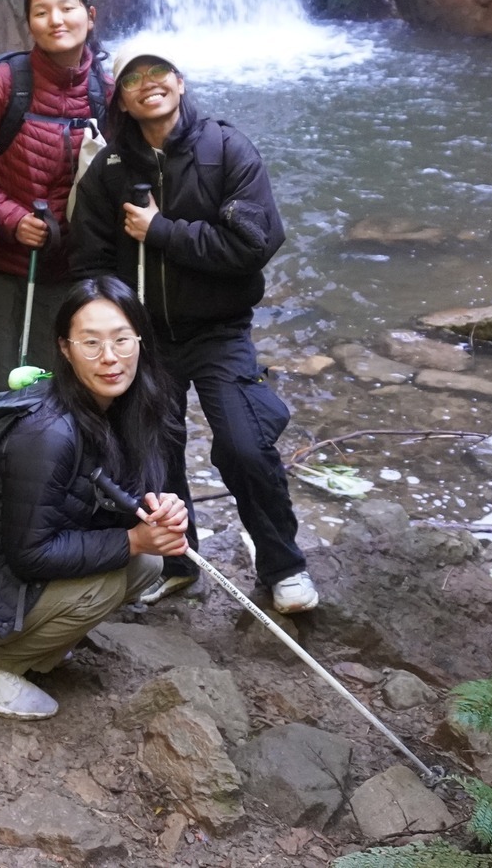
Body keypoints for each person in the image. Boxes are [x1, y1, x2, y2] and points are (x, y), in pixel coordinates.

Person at [69, 42, 316, 614]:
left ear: (179, 84)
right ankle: (179, 565)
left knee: (245, 445)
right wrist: (110, 329)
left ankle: (284, 565)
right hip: (145, 338)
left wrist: (163, 233)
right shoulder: (108, 170)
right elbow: (91, 260)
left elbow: (255, 243)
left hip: (220, 329)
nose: (148, 84)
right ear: (122, 101)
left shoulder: (227, 150)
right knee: (153, 451)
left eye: (159, 74)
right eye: (133, 80)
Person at [0, 277, 191, 720]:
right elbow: (30, 555)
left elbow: (112, 504)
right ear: (64, 348)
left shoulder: (125, 409)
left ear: (140, 340)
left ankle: (30, 648)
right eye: (90, 343)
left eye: (121, 340)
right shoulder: (48, 433)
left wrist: (161, 511)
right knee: (122, 571)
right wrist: (134, 540)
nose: (110, 357)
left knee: (146, 564)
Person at [0, 0, 111, 393]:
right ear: (30, 23)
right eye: (41, 12)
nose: (55, 20)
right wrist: (12, 218)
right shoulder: (3, 83)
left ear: (90, 15)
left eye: (66, 8)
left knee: (56, 389)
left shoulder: (106, 91)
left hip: (69, 271)